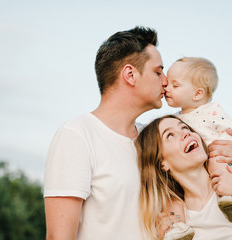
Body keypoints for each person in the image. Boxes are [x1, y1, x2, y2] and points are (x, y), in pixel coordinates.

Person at [43, 26, 168, 240]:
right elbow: (59, 236)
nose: (166, 81)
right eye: (158, 72)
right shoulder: (76, 135)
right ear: (130, 75)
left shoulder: (154, 139)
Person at [165, 57, 232, 223]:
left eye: (175, 85)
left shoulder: (211, 110)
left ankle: (228, 198)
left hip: (214, 155)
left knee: (217, 165)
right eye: (167, 83)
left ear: (197, 94)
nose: (167, 88)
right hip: (194, 168)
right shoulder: (175, 119)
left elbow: (230, 132)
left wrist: (221, 151)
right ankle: (177, 225)